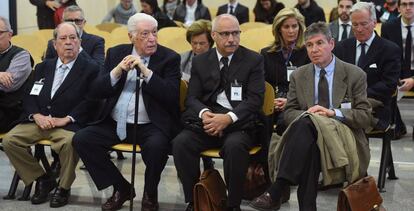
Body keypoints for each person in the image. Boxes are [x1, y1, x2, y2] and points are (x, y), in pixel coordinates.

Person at [250, 22, 372, 211]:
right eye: (309, 45)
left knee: (307, 125)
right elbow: (289, 113)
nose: (314, 50)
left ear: (331, 44)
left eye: (319, 43)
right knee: (310, 139)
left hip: (343, 137)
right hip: (308, 136)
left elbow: (365, 117)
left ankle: (277, 189)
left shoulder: (354, 74)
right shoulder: (299, 75)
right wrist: (310, 114)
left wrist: (333, 113)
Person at [72, 13, 181, 211]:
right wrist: (117, 71)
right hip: (115, 122)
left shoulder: (169, 58)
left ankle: (150, 193)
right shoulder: (115, 53)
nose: (152, 39)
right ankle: (121, 188)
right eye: (145, 34)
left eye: (154, 33)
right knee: (82, 139)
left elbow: (171, 95)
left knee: (158, 148)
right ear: (131, 36)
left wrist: (147, 73)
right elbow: (95, 91)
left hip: (151, 125)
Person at [2, 22, 100, 208]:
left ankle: (63, 188)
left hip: (66, 124)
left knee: (70, 143)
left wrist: (68, 118)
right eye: (63, 39)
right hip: (39, 122)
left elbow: (91, 101)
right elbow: (29, 95)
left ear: (80, 42)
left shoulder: (90, 69)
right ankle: (42, 178)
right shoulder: (42, 67)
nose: (68, 43)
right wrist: (36, 115)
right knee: (10, 141)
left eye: (73, 38)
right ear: (55, 45)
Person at [173, 14, 265, 211]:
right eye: (225, 34)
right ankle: (194, 200)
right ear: (214, 35)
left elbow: (255, 100)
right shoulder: (201, 61)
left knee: (234, 148)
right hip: (208, 122)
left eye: (235, 33)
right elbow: (192, 98)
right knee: (181, 143)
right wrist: (205, 114)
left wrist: (227, 119)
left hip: (239, 123)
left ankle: (233, 204)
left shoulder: (253, 60)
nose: (231, 39)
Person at [334, 1, 400, 131]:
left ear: (374, 22)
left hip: (375, 109)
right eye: (355, 24)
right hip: (343, 105)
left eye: (363, 24)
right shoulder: (342, 47)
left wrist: (358, 96)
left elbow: (389, 84)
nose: (359, 29)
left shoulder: (390, 50)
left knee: (347, 125)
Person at [260, 8, 309, 136]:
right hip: (272, 104)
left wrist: (290, 102)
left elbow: (310, 86)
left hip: (297, 104)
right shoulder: (266, 54)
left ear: (300, 28)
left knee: (284, 122)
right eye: (286, 27)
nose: (291, 31)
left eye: (294, 26)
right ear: (279, 29)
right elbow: (261, 84)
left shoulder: (307, 53)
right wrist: (271, 101)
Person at [381, 0, 414, 139]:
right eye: (404, 4)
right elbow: (385, 57)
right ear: (398, 7)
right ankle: (397, 125)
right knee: (382, 85)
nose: (408, 8)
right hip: (397, 73)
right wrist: (394, 77)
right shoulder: (388, 27)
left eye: (412, 4)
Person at [0, 16, 33, 133]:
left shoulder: (21, 55)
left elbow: (8, 85)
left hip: (9, 111)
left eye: (0, 33)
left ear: (10, 34)